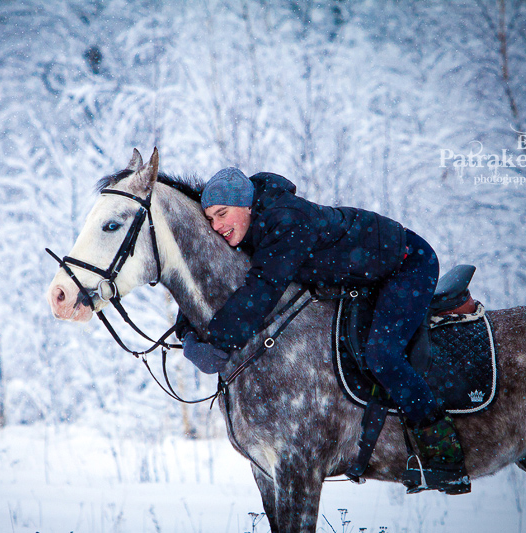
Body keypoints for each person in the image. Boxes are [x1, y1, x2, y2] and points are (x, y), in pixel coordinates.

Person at [179, 167, 469, 494]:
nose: (217, 227)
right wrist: (187, 329)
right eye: (210, 219)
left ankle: (446, 457)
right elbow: (219, 281)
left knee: (382, 354)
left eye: (222, 214)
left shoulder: (286, 222)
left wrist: (216, 343)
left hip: (407, 263)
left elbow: (260, 291)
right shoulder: (250, 228)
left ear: (246, 206)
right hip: (369, 275)